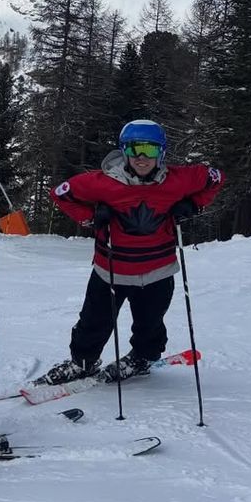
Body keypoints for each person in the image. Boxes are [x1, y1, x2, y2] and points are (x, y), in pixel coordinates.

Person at [37, 119, 224, 386]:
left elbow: (215, 178)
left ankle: (142, 358)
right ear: (123, 151)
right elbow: (60, 194)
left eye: (149, 149)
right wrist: (91, 217)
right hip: (111, 270)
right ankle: (83, 362)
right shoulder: (101, 182)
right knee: (93, 322)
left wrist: (193, 205)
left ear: (161, 152)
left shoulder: (179, 179)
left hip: (158, 271)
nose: (141, 157)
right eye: (134, 149)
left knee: (150, 323)